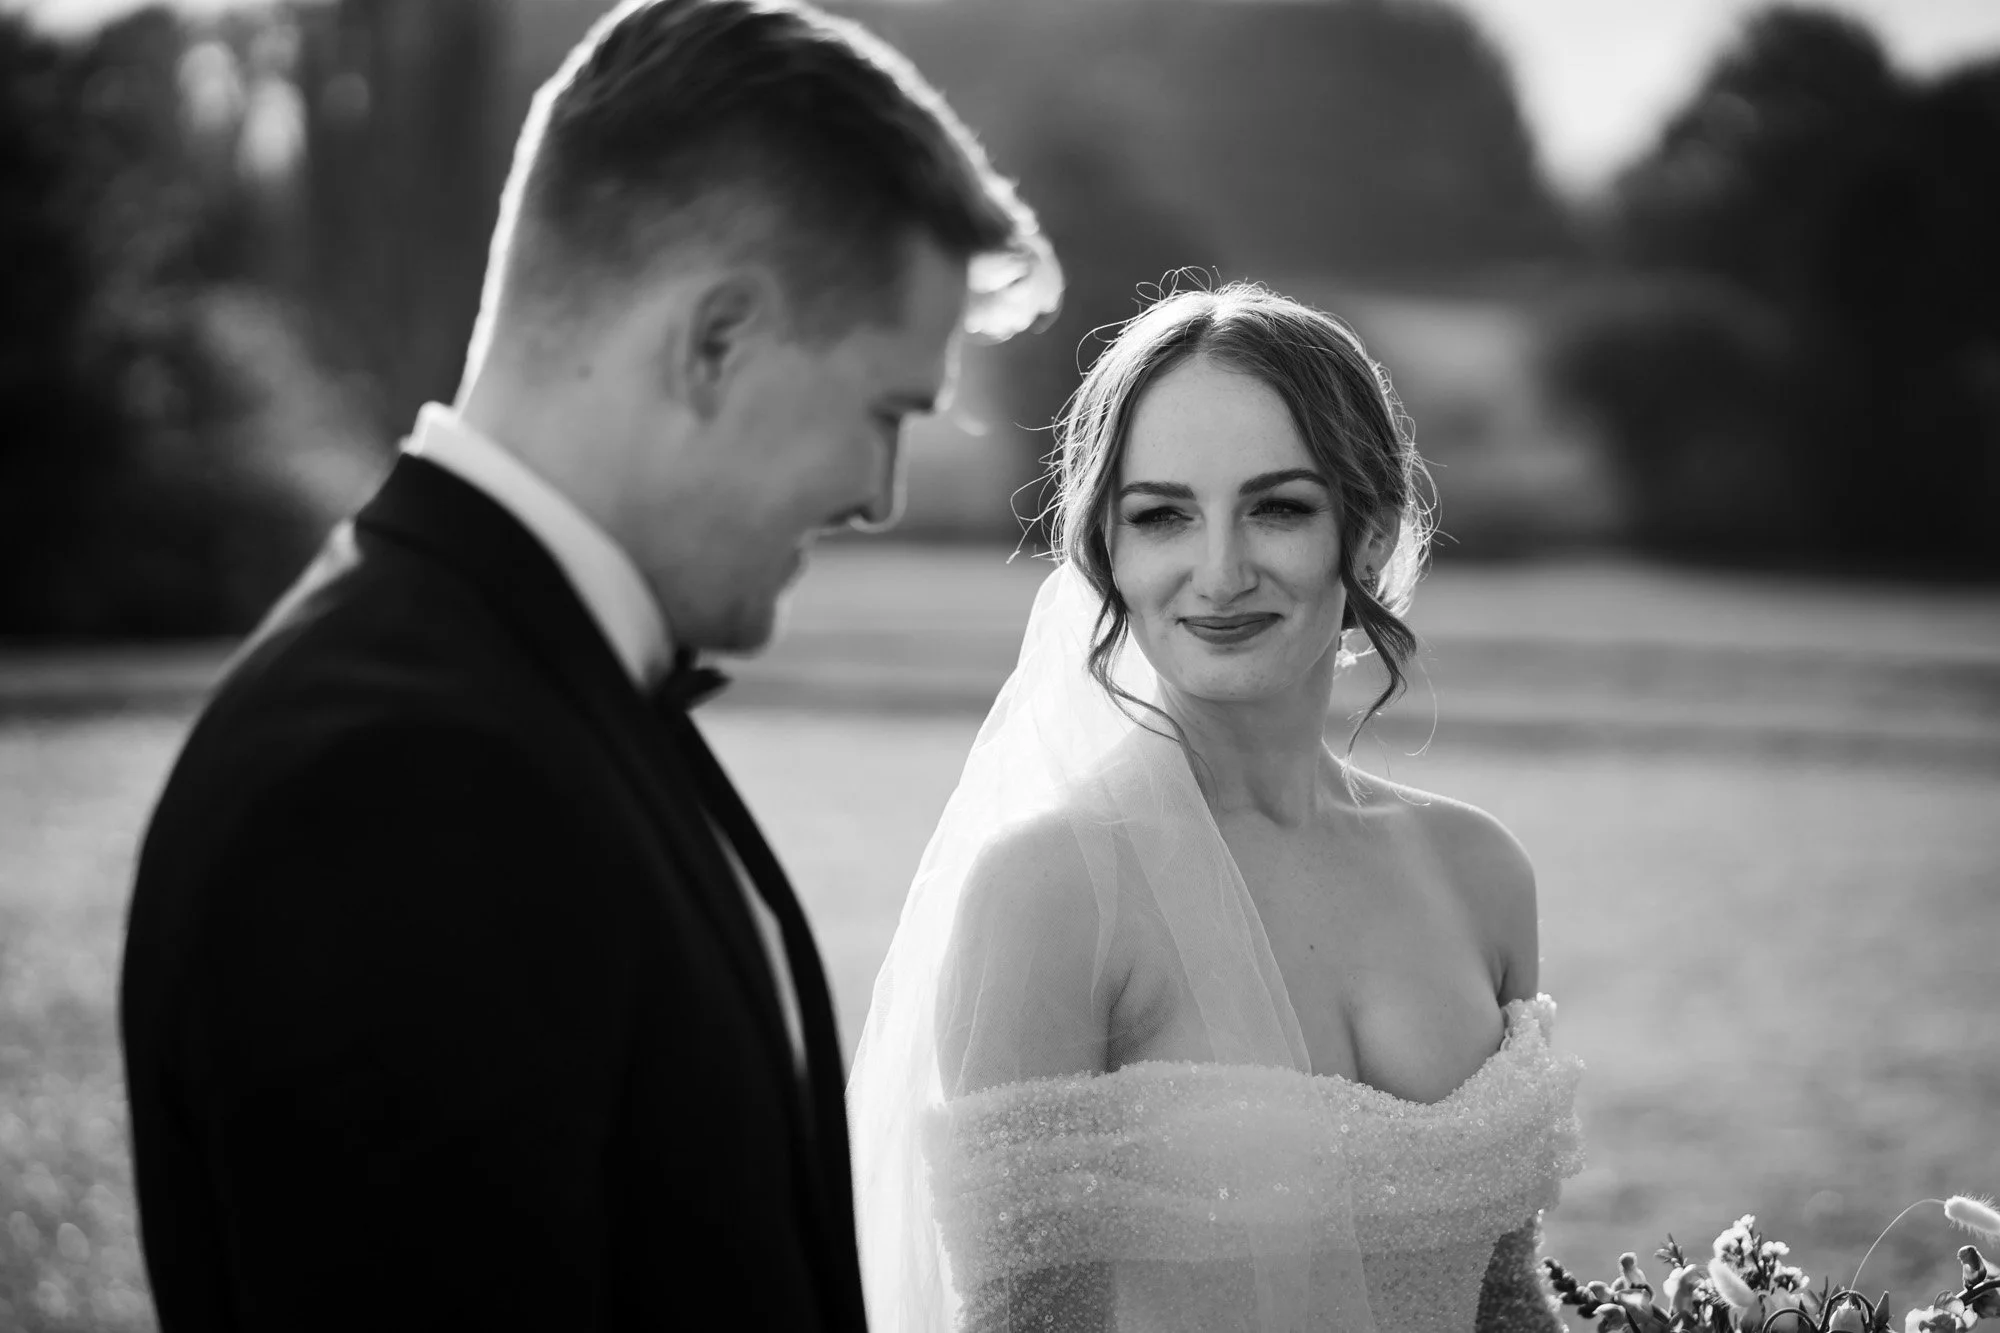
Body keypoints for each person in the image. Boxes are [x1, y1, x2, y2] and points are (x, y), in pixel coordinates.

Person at [118, 2, 1057, 1329]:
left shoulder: (525, 689)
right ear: (714, 340)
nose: (880, 494)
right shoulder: (400, 786)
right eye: (885, 410)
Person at [847, 283, 1583, 1333]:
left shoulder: (1478, 872)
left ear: (1365, 535)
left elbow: (1505, 1302)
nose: (1219, 570)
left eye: (1278, 507)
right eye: (1160, 516)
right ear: (1110, 551)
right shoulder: (1052, 893)